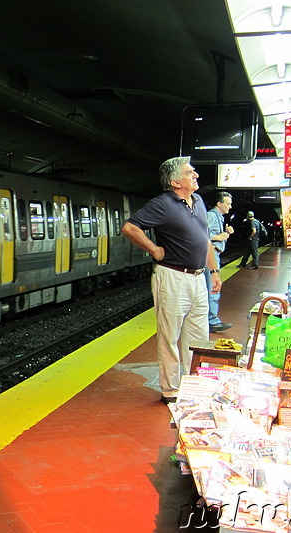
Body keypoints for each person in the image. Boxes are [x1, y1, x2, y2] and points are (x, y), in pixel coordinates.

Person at [122, 156, 221, 404]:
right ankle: (171, 390)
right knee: (170, 336)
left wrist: (214, 270)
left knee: (199, 336)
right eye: (190, 173)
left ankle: (194, 385)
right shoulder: (163, 204)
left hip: (198, 278)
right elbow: (130, 227)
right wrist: (154, 250)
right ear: (176, 181)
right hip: (173, 277)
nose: (196, 175)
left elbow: (205, 239)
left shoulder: (197, 202)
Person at [205, 192, 234, 333]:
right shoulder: (211, 215)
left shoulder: (219, 217)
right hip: (211, 256)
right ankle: (212, 321)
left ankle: (210, 319)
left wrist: (226, 233)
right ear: (219, 204)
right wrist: (219, 236)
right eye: (227, 203)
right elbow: (202, 235)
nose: (230, 206)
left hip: (213, 254)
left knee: (212, 288)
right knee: (213, 288)